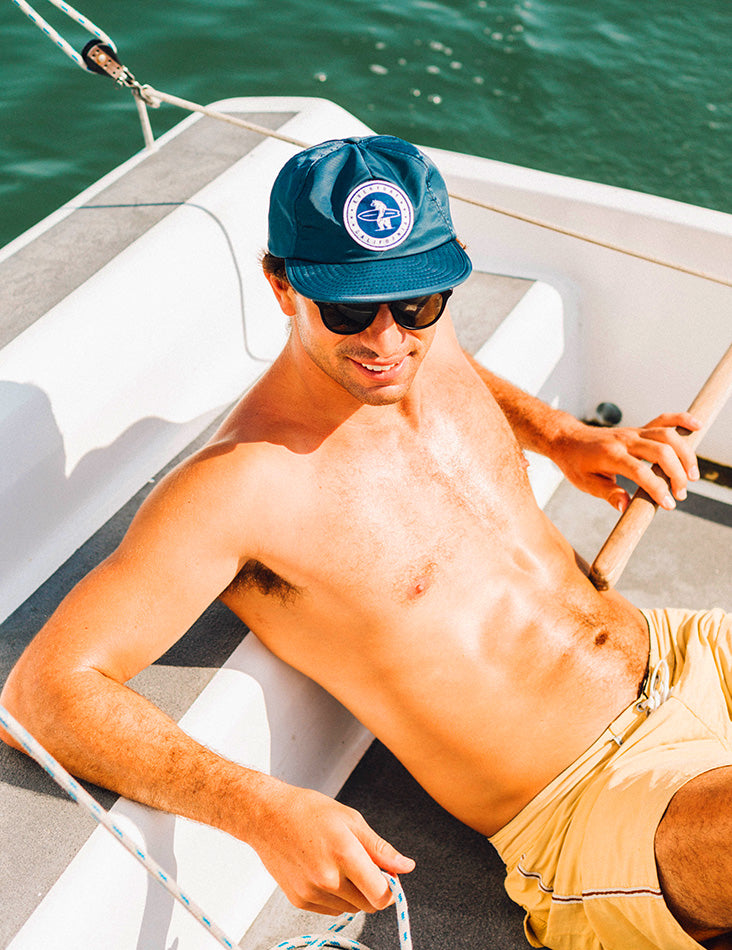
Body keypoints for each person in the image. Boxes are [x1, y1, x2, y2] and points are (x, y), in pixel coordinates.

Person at [1, 135, 728, 950]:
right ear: (281, 284)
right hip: (591, 800)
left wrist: (565, 437)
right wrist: (261, 809)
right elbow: (40, 695)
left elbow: (451, 363)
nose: (387, 341)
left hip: (682, 652)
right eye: (347, 310)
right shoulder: (241, 485)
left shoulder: (425, 345)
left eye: (416, 302)